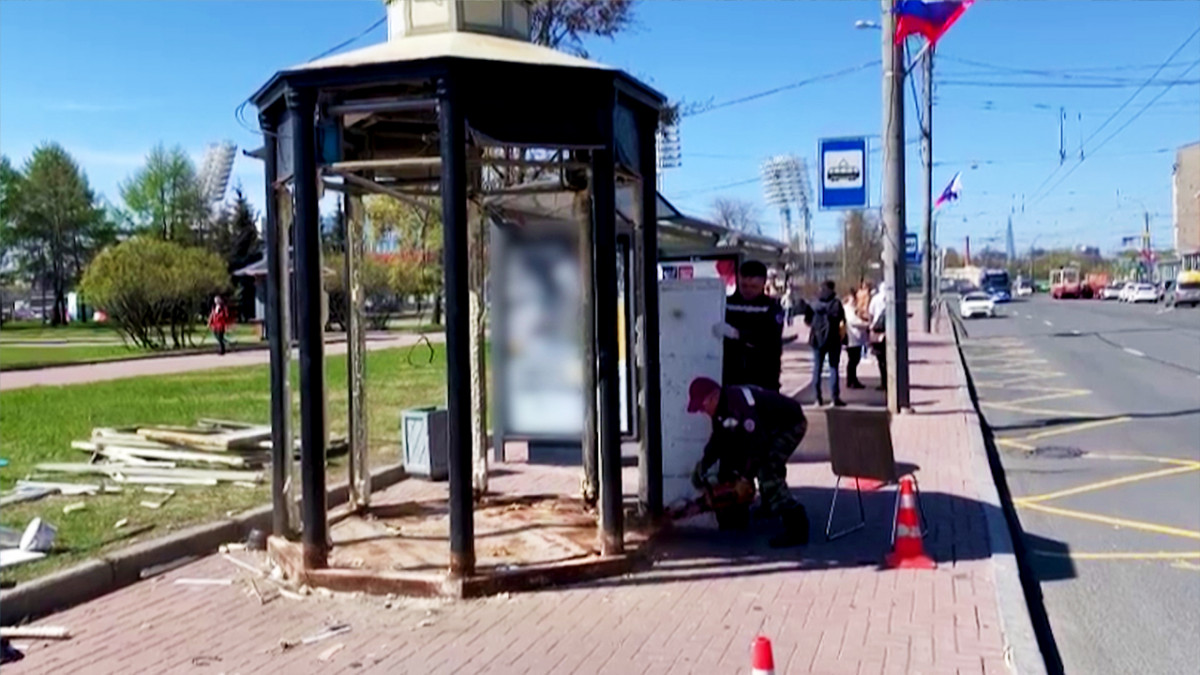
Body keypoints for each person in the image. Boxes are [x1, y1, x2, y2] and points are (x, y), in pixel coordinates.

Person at [686, 376, 810, 548]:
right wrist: (703, 465)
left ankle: (797, 526)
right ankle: (770, 506)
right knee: (762, 465)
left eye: (702, 406)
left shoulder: (739, 407)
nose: (702, 411)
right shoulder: (722, 407)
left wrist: (745, 477)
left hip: (790, 423)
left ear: (713, 396)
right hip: (769, 428)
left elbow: (757, 446)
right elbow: (719, 440)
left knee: (768, 470)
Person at [719, 260, 786, 391]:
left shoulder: (771, 307)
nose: (748, 290)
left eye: (754, 286)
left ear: (763, 283)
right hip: (731, 375)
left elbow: (769, 338)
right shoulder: (726, 303)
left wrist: (737, 334)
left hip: (763, 375)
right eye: (744, 285)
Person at [803, 280, 846, 407]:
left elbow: (807, 320)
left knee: (817, 368)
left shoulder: (813, 303)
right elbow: (841, 320)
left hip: (816, 339)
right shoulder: (836, 304)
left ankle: (817, 398)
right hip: (833, 339)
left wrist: (815, 327)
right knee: (833, 368)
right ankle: (834, 398)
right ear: (832, 289)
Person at [843, 291, 868, 389]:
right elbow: (853, 321)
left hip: (854, 338)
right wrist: (866, 324)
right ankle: (851, 380)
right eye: (852, 299)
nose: (854, 301)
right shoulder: (848, 309)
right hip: (852, 338)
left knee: (854, 360)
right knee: (853, 360)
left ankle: (852, 379)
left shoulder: (852, 309)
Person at [868, 282, 888, 391]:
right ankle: (890, 382)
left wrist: (871, 327)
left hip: (878, 331)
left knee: (881, 359)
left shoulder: (875, 299)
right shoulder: (891, 297)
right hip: (890, 331)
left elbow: (870, 313)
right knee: (889, 358)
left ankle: (883, 382)